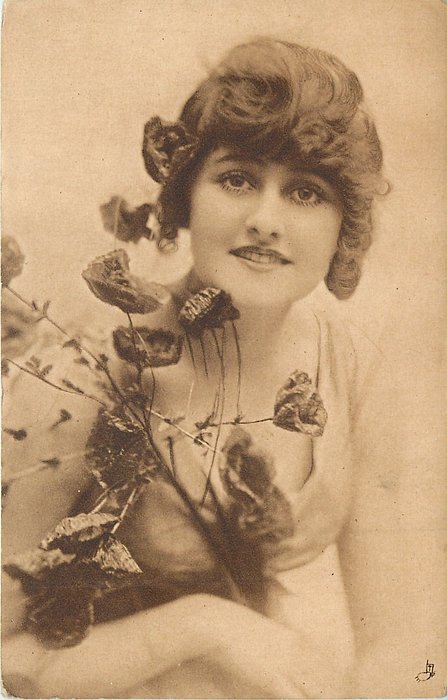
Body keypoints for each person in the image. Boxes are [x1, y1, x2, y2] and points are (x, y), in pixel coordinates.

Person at [2, 37, 444, 699]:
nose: (266, 220)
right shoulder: (85, 371)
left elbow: (402, 642)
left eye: (305, 192)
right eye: (237, 178)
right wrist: (203, 628)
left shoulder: (351, 367)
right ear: (185, 195)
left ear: (342, 226)